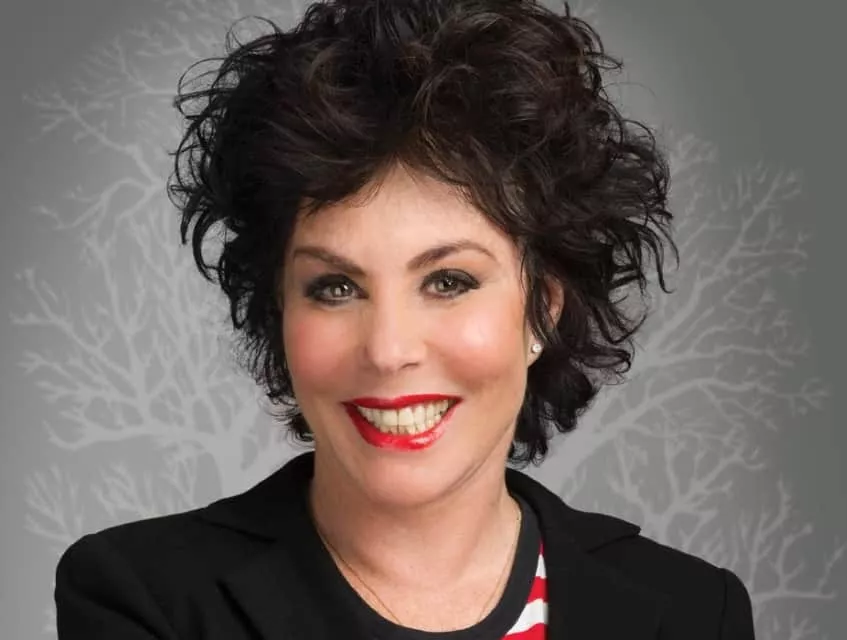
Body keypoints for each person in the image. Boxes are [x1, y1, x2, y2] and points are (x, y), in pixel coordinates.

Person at [51, 0, 755, 638]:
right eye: (335, 287)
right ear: (279, 310)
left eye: (448, 282)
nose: (388, 350)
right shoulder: (145, 599)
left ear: (541, 310)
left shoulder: (693, 613)